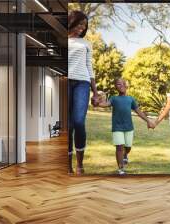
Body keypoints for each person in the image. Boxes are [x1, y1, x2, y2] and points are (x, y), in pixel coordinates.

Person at [98, 78, 155, 175]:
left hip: (129, 128)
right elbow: (104, 104)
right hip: (117, 128)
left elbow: (138, 111)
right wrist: (97, 101)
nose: (122, 86)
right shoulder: (114, 98)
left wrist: (148, 120)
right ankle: (121, 169)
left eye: (123, 83)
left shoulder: (131, 99)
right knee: (119, 147)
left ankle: (125, 154)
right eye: (119, 84)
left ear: (126, 86)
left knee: (128, 147)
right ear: (116, 87)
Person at [68, 10, 99, 175]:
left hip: (82, 82)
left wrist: (95, 92)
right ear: (72, 21)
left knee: (79, 122)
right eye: (80, 24)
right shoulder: (62, 40)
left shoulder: (86, 43)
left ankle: (79, 164)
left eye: (84, 26)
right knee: (69, 125)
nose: (82, 28)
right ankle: (68, 164)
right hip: (65, 82)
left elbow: (90, 67)